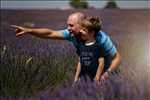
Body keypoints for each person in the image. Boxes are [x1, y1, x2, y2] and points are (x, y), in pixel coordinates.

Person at [11, 12, 121, 82]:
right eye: (68, 25)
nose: (68, 28)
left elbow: (117, 58)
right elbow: (49, 33)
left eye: (71, 25)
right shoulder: (71, 33)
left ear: (82, 25)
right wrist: (29, 30)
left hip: (107, 72)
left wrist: (107, 74)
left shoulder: (101, 38)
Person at [74, 16, 104, 84]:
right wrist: (76, 78)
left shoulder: (98, 46)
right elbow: (80, 62)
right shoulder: (80, 45)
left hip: (94, 78)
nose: (80, 31)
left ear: (92, 33)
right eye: (81, 29)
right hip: (82, 78)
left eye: (84, 30)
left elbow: (101, 63)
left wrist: (97, 77)